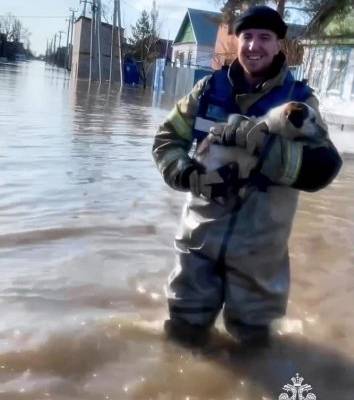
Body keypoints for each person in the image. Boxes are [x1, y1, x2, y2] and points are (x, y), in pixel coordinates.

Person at [152, 6, 342, 347]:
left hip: (260, 255)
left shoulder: (300, 102)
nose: (254, 46)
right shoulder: (206, 91)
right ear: (237, 41)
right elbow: (166, 140)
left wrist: (266, 151)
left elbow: (324, 167)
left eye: (265, 38)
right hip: (199, 244)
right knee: (182, 338)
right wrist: (186, 173)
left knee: (253, 350)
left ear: (279, 45)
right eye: (247, 37)